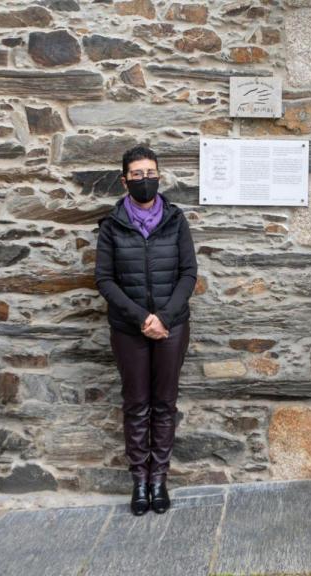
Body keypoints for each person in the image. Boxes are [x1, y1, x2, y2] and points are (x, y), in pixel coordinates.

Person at [95, 145, 197, 516]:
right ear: (125, 180)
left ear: (159, 175)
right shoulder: (112, 224)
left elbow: (188, 273)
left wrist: (165, 318)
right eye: (136, 175)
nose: (144, 180)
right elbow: (104, 279)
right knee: (137, 404)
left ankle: (160, 479)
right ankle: (140, 480)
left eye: (149, 172)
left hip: (172, 325)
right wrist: (141, 318)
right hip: (129, 327)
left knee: (165, 403)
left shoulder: (175, 219)